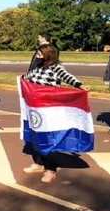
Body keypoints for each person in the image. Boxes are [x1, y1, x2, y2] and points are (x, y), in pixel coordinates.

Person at [22, 44, 90, 183]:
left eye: (40, 52)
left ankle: (50, 170)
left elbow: (68, 77)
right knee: (35, 135)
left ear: (48, 54)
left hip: (50, 109)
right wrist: (22, 79)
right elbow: (27, 77)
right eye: (38, 52)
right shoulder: (39, 67)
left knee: (49, 138)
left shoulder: (56, 68)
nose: (38, 54)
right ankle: (38, 163)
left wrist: (80, 85)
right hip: (36, 109)